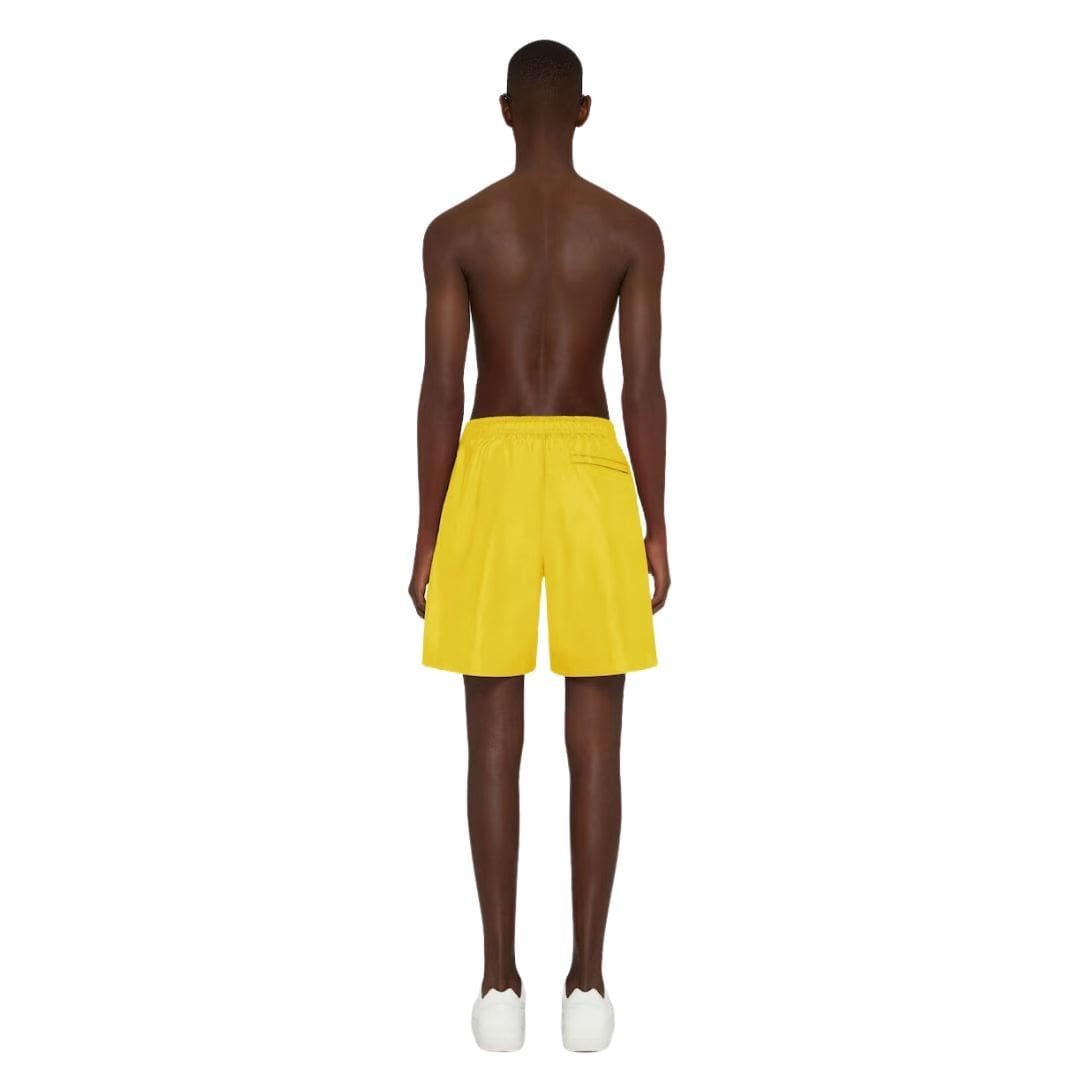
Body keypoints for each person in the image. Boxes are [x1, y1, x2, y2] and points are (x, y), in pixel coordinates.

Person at [408, 39, 671, 1052]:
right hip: (594, 466)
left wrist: (428, 530)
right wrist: (657, 519)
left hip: (490, 464)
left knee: (491, 738)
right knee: (597, 739)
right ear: (586, 111)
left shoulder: (457, 231)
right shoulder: (631, 231)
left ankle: (497, 983)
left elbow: (440, 387)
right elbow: (642, 387)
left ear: (506, 109)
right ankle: (589, 983)